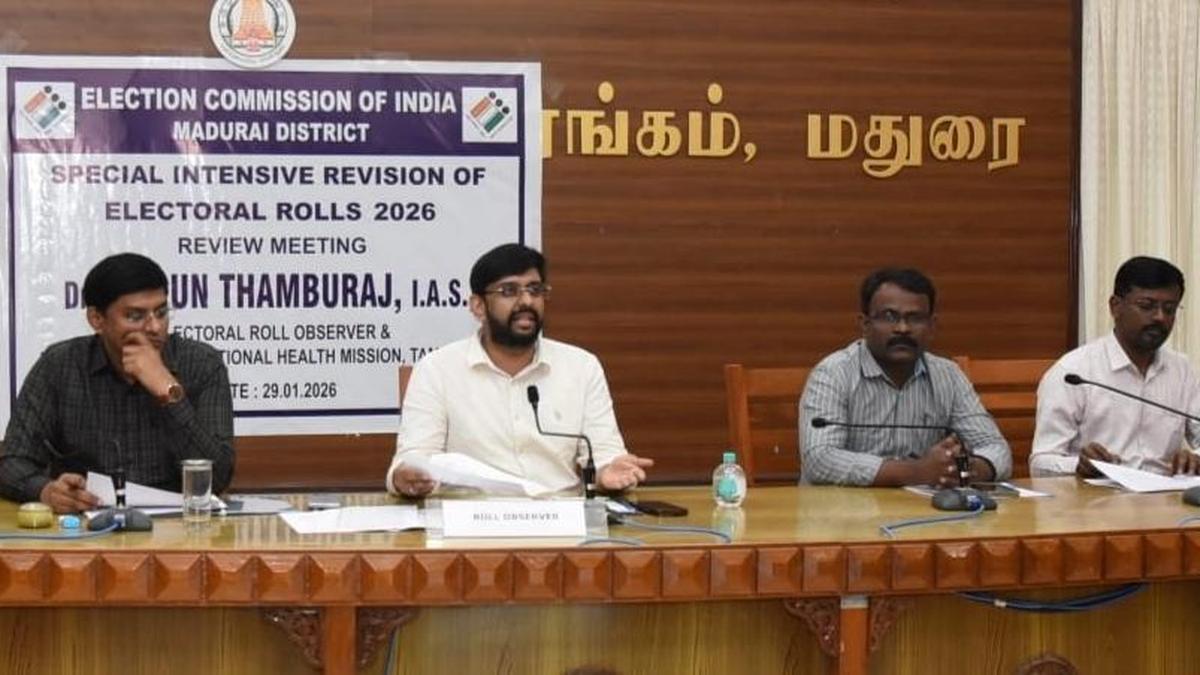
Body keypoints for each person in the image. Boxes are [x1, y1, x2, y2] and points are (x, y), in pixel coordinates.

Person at [387, 243, 653, 497]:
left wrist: (607, 472)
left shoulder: (581, 367)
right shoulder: (437, 369)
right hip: (471, 518)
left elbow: (604, 454)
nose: (526, 301)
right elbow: (414, 458)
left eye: (535, 290)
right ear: (478, 306)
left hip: (559, 515)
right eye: (509, 291)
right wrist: (408, 477)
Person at [0, 253, 235, 513]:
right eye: (135, 316)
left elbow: (218, 477)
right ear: (96, 319)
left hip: (179, 524)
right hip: (86, 523)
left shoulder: (202, 364)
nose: (155, 327)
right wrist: (46, 490)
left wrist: (168, 390)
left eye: (161, 312)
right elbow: (12, 463)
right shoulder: (60, 365)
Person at [800, 267, 1011, 486]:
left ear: (932, 326)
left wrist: (960, 470)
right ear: (865, 324)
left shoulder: (949, 376)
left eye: (915, 318)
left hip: (922, 505)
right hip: (845, 505)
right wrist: (917, 472)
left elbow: (996, 449)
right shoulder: (833, 373)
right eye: (889, 317)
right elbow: (819, 459)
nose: (902, 328)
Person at [1031, 256, 1200, 477]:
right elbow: (1040, 463)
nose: (1160, 317)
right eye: (1146, 306)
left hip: (1167, 493)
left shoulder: (1183, 371)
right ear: (1115, 306)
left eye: (1169, 309)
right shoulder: (1073, 373)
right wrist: (1078, 466)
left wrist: (1196, 458)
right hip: (1097, 494)